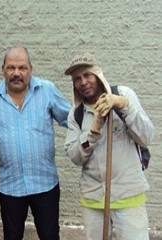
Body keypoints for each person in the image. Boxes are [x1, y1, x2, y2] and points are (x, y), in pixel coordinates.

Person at [0, 46, 71, 240]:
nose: (16, 73)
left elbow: (72, 119)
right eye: (11, 68)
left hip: (45, 183)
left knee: (50, 236)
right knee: (12, 237)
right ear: (3, 69)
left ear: (31, 69)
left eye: (22, 68)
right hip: (11, 186)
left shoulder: (47, 91)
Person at [64, 52, 154, 240]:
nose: (83, 82)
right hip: (93, 199)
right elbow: (75, 156)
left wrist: (124, 106)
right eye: (77, 78)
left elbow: (146, 136)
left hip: (128, 197)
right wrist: (93, 131)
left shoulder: (123, 94)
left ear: (97, 74)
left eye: (87, 75)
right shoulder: (76, 114)